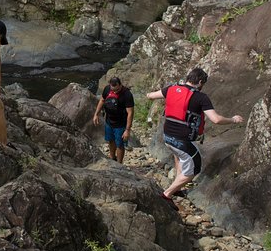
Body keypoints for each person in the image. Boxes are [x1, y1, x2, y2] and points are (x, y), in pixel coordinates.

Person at [146, 67, 244, 211]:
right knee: (193, 168)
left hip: (167, 137)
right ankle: (167, 194)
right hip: (181, 140)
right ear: (199, 82)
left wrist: (150, 93)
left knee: (179, 156)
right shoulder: (200, 97)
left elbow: (150, 96)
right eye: (202, 84)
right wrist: (233, 119)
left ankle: (177, 187)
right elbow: (216, 119)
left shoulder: (171, 89)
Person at [92, 77, 135, 164]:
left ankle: (119, 164)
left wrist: (127, 130)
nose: (115, 92)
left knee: (119, 144)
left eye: (117, 90)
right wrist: (96, 114)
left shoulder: (127, 94)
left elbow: (130, 113)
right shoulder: (107, 89)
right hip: (109, 121)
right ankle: (112, 158)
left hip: (121, 124)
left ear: (120, 85)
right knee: (110, 140)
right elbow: (102, 100)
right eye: (113, 89)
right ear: (110, 86)